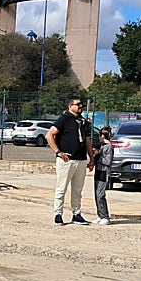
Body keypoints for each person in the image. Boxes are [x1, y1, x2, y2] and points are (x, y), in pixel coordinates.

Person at [46, 96, 92, 225]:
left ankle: (76, 213)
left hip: (81, 159)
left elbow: (87, 139)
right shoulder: (64, 119)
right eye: (78, 105)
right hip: (67, 160)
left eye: (81, 105)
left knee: (77, 189)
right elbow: (49, 135)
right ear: (70, 106)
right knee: (62, 187)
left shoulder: (82, 121)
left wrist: (91, 158)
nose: (80, 107)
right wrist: (58, 152)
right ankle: (58, 214)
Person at [92, 126, 114, 224]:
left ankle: (105, 216)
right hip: (98, 171)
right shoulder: (102, 146)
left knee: (101, 194)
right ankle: (99, 215)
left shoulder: (109, 147)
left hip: (104, 173)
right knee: (96, 194)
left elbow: (108, 161)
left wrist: (98, 155)